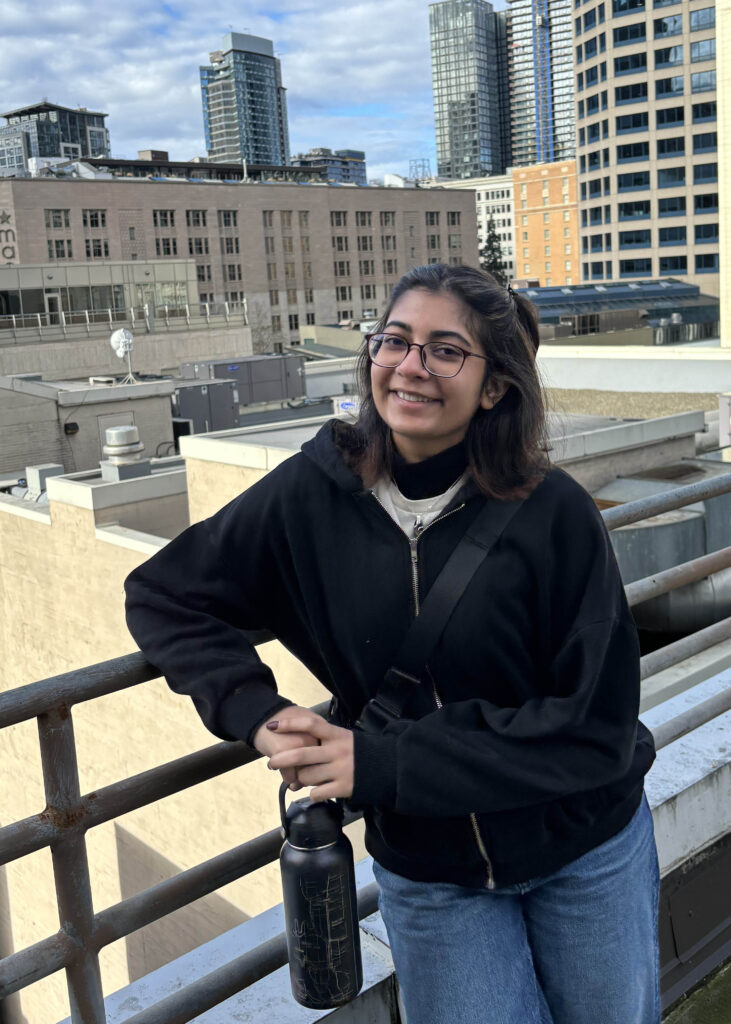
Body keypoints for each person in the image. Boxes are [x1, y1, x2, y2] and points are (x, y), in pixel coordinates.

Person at [125, 264, 659, 1024]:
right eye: (394, 342)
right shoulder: (311, 493)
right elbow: (163, 592)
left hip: (581, 845)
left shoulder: (554, 515)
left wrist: (379, 762)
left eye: (446, 351)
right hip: (430, 866)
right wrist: (253, 709)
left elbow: (596, 729)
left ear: (494, 387)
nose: (410, 367)